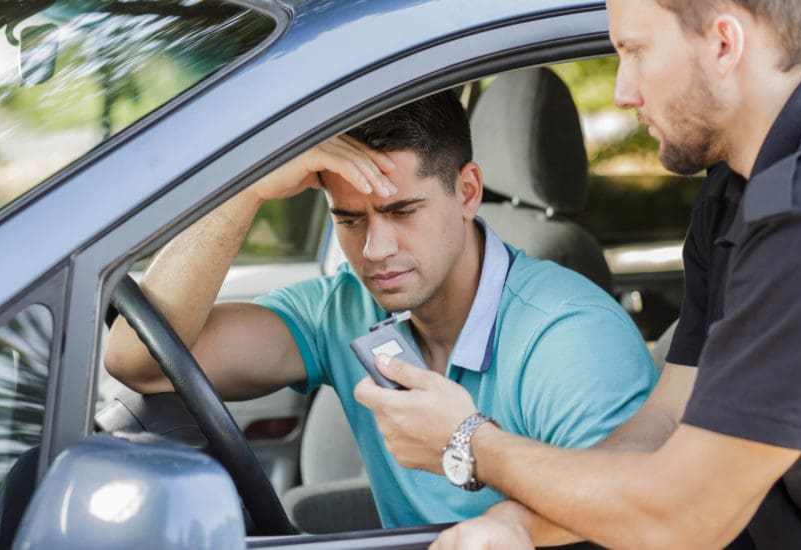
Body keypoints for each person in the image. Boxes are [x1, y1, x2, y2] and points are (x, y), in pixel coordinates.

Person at [353, 0, 801, 547]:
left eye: (634, 51)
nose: (623, 90)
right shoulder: (737, 193)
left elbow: (684, 518)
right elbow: (664, 425)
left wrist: (469, 442)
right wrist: (518, 523)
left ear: (725, 44)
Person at [103, 90, 658, 528]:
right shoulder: (343, 306)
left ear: (467, 193)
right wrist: (245, 188)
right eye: (350, 220)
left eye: (403, 211)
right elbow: (140, 362)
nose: (374, 251)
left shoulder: (568, 333)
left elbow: (636, 518)